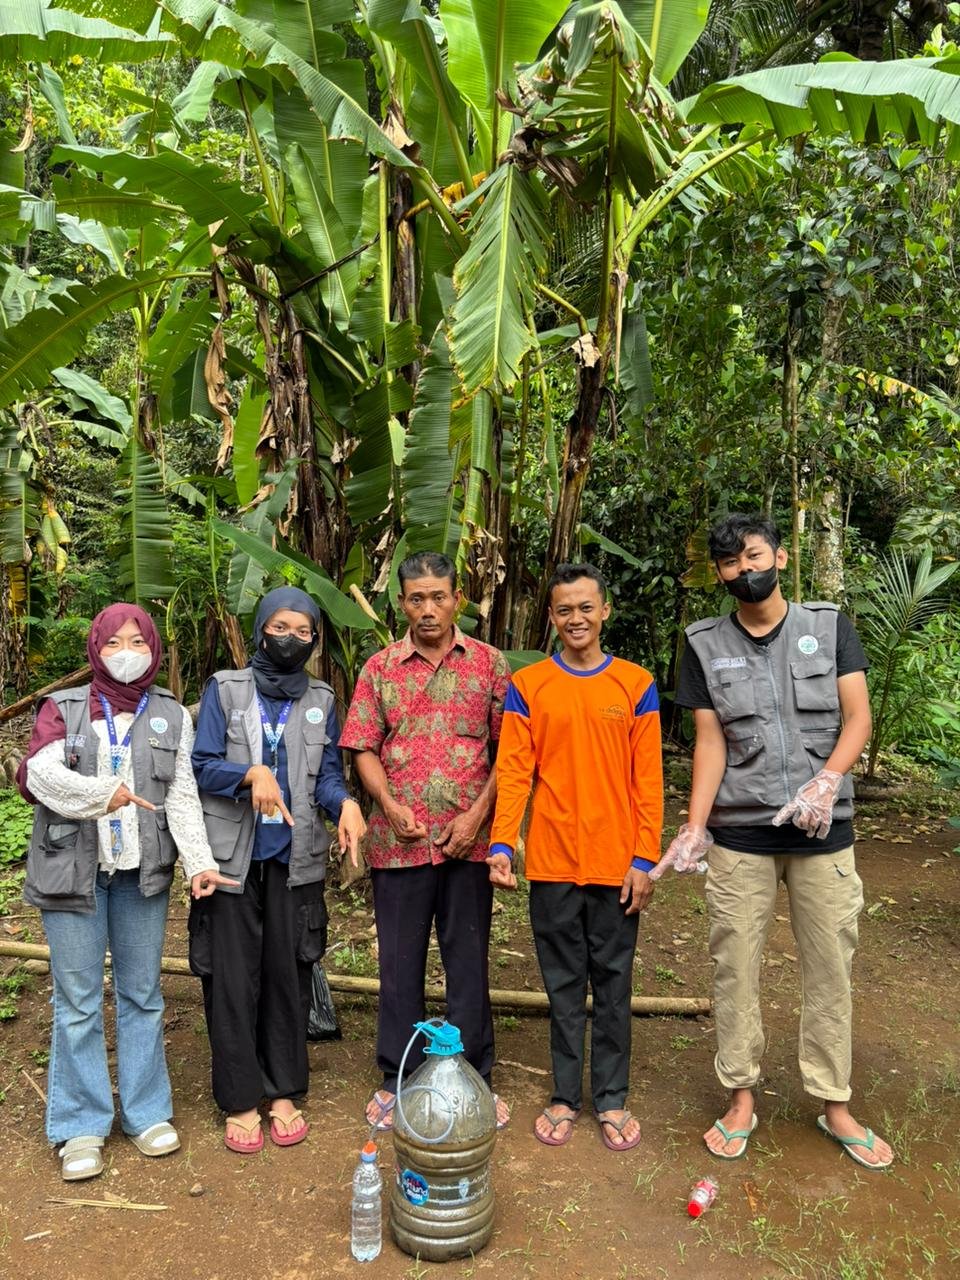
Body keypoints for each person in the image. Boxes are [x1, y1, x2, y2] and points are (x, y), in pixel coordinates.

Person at [662, 512, 892, 1169]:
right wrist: (696, 824)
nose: (745, 571)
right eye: (731, 563)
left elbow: (859, 716)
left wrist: (827, 782)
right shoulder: (704, 644)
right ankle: (740, 1096)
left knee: (831, 967)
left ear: (782, 557)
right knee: (735, 966)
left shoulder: (827, 626)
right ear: (720, 572)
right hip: (741, 835)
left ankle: (834, 1102)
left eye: (754, 556)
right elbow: (709, 741)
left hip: (825, 832)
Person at [20, 603, 233, 1181]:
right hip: (73, 874)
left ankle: (145, 1114)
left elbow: (183, 794)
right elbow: (38, 776)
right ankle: (80, 1125)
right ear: (96, 647)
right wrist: (101, 795)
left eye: (137, 640)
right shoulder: (62, 709)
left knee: (143, 995)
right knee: (79, 1001)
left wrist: (198, 863)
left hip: (143, 876)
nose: (125, 651)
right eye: (113, 641)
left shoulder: (169, 713)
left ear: (153, 647)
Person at [487, 563, 663, 1151]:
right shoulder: (530, 685)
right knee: (563, 986)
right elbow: (514, 770)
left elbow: (649, 782)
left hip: (618, 866)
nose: (576, 619)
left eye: (586, 607)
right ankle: (564, 1096)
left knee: (613, 984)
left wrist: (645, 858)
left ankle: (611, 1099)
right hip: (553, 862)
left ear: (604, 611)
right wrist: (502, 841)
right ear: (553, 618)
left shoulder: (634, 684)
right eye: (564, 610)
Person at [190, 586, 366, 1154]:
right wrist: (250, 775)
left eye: (304, 630)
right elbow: (202, 766)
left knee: (287, 975)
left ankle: (284, 1090)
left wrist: (347, 805)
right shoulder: (224, 688)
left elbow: (329, 776)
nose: (291, 638)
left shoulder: (321, 697)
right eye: (280, 627)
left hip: (297, 861)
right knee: (233, 981)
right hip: (233, 861)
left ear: (315, 638)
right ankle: (242, 1100)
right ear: (262, 627)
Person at [340, 551, 511, 1131]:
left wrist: (476, 819)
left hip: (469, 844)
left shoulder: (490, 665)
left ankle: (473, 1077)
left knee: (468, 962)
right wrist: (387, 804)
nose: (429, 608)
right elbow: (363, 745)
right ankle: (398, 1076)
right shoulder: (380, 668)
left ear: (458, 599)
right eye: (417, 598)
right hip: (399, 844)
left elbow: (508, 752)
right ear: (403, 603)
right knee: (399, 966)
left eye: (439, 596)